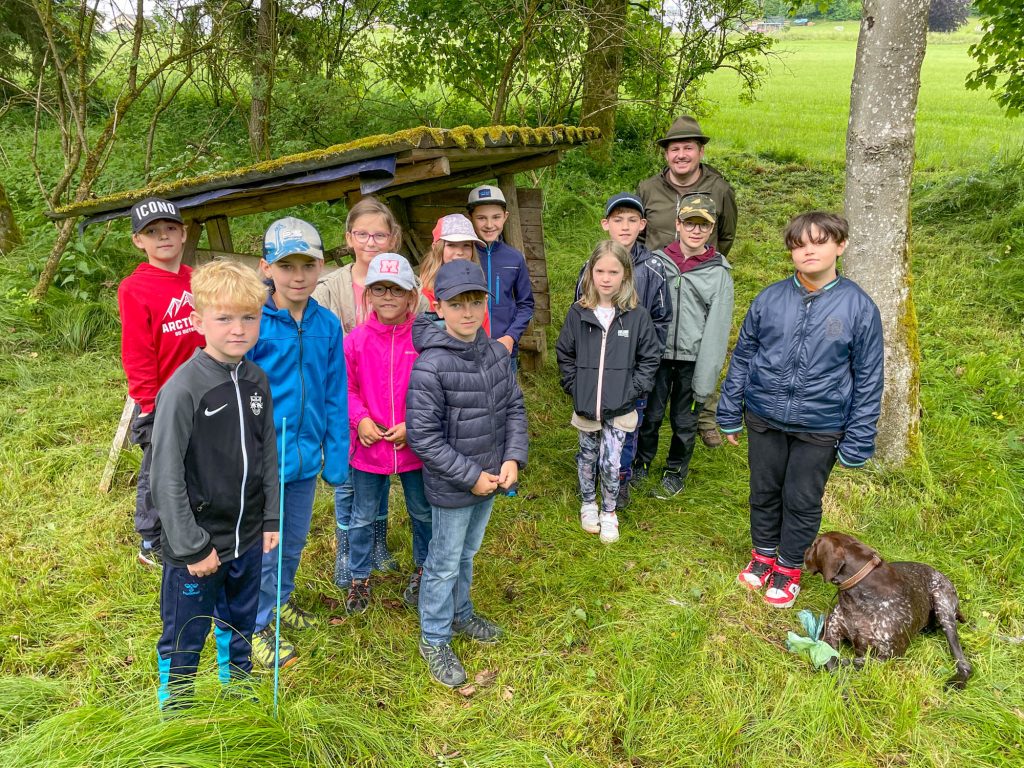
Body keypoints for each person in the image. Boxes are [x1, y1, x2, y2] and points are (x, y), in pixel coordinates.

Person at [718, 211, 884, 609]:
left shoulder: (859, 308)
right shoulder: (770, 298)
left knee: (801, 498)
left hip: (820, 425)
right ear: (791, 251)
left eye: (819, 242)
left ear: (839, 246)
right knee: (764, 490)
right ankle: (762, 557)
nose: (809, 250)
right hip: (764, 418)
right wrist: (729, 410)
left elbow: (868, 377)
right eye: (800, 244)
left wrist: (859, 439)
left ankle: (790, 566)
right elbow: (742, 357)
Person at [149, 259, 279, 709]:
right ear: (199, 320)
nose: (239, 329)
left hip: (246, 539)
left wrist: (271, 519)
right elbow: (164, 475)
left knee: (240, 623)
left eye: (250, 317)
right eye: (224, 318)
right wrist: (191, 546)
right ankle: (177, 709)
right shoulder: (183, 389)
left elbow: (267, 454)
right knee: (187, 632)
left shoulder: (256, 380)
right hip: (199, 546)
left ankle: (239, 695)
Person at [406, 260, 528, 688]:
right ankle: (434, 637)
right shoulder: (431, 366)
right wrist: (470, 475)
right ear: (438, 307)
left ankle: (461, 614)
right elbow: (423, 437)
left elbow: (513, 407)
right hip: (454, 485)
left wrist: (513, 458)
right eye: (457, 304)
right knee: (442, 561)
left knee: (467, 553)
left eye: (476, 301)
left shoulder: (496, 352)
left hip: (491, 480)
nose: (468, 312)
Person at [248, 216, 348, 667]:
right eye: (287, 265)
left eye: (307, 265)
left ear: (321, 266)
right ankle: (255, 624)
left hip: (307, 456)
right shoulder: (255, 324)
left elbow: (334, 393)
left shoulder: (327, 324)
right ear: (267, 268)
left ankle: (281, 602)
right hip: (265, 460)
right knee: (265, 543)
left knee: (293, 541)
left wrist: (337, 453)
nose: (298, 275)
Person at [312, 197, 408, 586]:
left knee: (380, 472)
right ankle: (348, 549)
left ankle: (378, 544)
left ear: (393, 238)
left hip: (386, 400)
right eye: (362, 233)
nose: (371, 240)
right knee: (350, 479)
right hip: (344, 397)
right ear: (349, 237)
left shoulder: (403, 280)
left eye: (380, 233)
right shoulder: (330, 287)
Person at [637, 115, 738, 448]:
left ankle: (703, 415)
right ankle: (643, 406)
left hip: (699, 278)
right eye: (674, 148)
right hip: (657, 278)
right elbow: (639, 233)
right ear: (666, 154)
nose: (681, 154)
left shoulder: (719, 188)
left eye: (688, 148)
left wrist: (701, 267)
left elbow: (726, 236)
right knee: (655, 347)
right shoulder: (649, 188)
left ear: (700, 152)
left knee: (703, 343)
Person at [343, 253, 433, 614]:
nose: (388, 297)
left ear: (412, 296)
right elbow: (344, 389)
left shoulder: (426, 339)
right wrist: (360, 419)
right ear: (368, 295)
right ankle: (358, 577)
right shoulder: (356, 340)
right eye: (379, 289)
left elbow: (436, 389)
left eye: (397, 290)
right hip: (369, 446)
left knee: (422, 512)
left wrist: (416, 425)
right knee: (362, 515)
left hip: (415, 447)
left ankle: (425, 569)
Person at [118, 197, 204, 568]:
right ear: (139, 240)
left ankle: (191, 524)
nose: (163, 236)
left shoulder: (198, 280)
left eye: (170, 228)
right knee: (161, 466)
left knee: (198, 461)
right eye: (152, 232)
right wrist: (150, 404)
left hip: (203, 391)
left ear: (184, 233)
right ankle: (151, 539)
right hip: (162, 397)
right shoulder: (134, 288)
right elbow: (137, 352)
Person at [573, 193, 671, 510]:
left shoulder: (654, 268)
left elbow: (661, 319)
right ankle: (592, 477)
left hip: (631, 374)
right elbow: (578, 317)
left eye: (632, 220)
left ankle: (621, 479)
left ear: (642, 225)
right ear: (606, 225)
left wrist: (641, 369)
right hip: (595, 372)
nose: (625, 226)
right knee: (593, 423)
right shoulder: (590, 266)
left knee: (628, 428)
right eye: (618, 220)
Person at [558, 241, 661, 543]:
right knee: (587, 457)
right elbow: (565, 353)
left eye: (613, 272)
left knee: (612, 461)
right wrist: (574, 386)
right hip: (587, 406)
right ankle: (588, 503)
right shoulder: (579, 313)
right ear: (590, 274)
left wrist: (633, 390)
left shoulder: (636, 316)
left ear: (625, 276)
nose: (606, 278)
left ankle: (610, 511)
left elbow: (650, 358)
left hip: (621, 406)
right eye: (600, 271)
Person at [633, 193, 734, 499]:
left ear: (712, 228)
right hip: (657, 356)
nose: (695, 230)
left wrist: (707, 376)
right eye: (689, 223)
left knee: (684, 420)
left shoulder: (718, 273)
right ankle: (641, 463)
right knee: (649, 415)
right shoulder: (656, 262)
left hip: (693, 359)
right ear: (677, 224)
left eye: (702, 225)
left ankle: (675, 470)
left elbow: (717, 329)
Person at [466, 185, 535, 371]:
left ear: (505, 216)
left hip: (504, 350)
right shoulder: (463, 255)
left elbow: (526, 304)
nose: (489, 225)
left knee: (505, 399)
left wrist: (511, 337)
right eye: (481, 218)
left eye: (496, 217)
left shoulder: (515, 258)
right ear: (470, 218)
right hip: (466, 351)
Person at [419, 213, 490, 335]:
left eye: (466, 245)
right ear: (437, 248)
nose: (460, 252)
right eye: (451, 245)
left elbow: (484, 334)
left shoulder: (476, 288)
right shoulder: (423, 293)